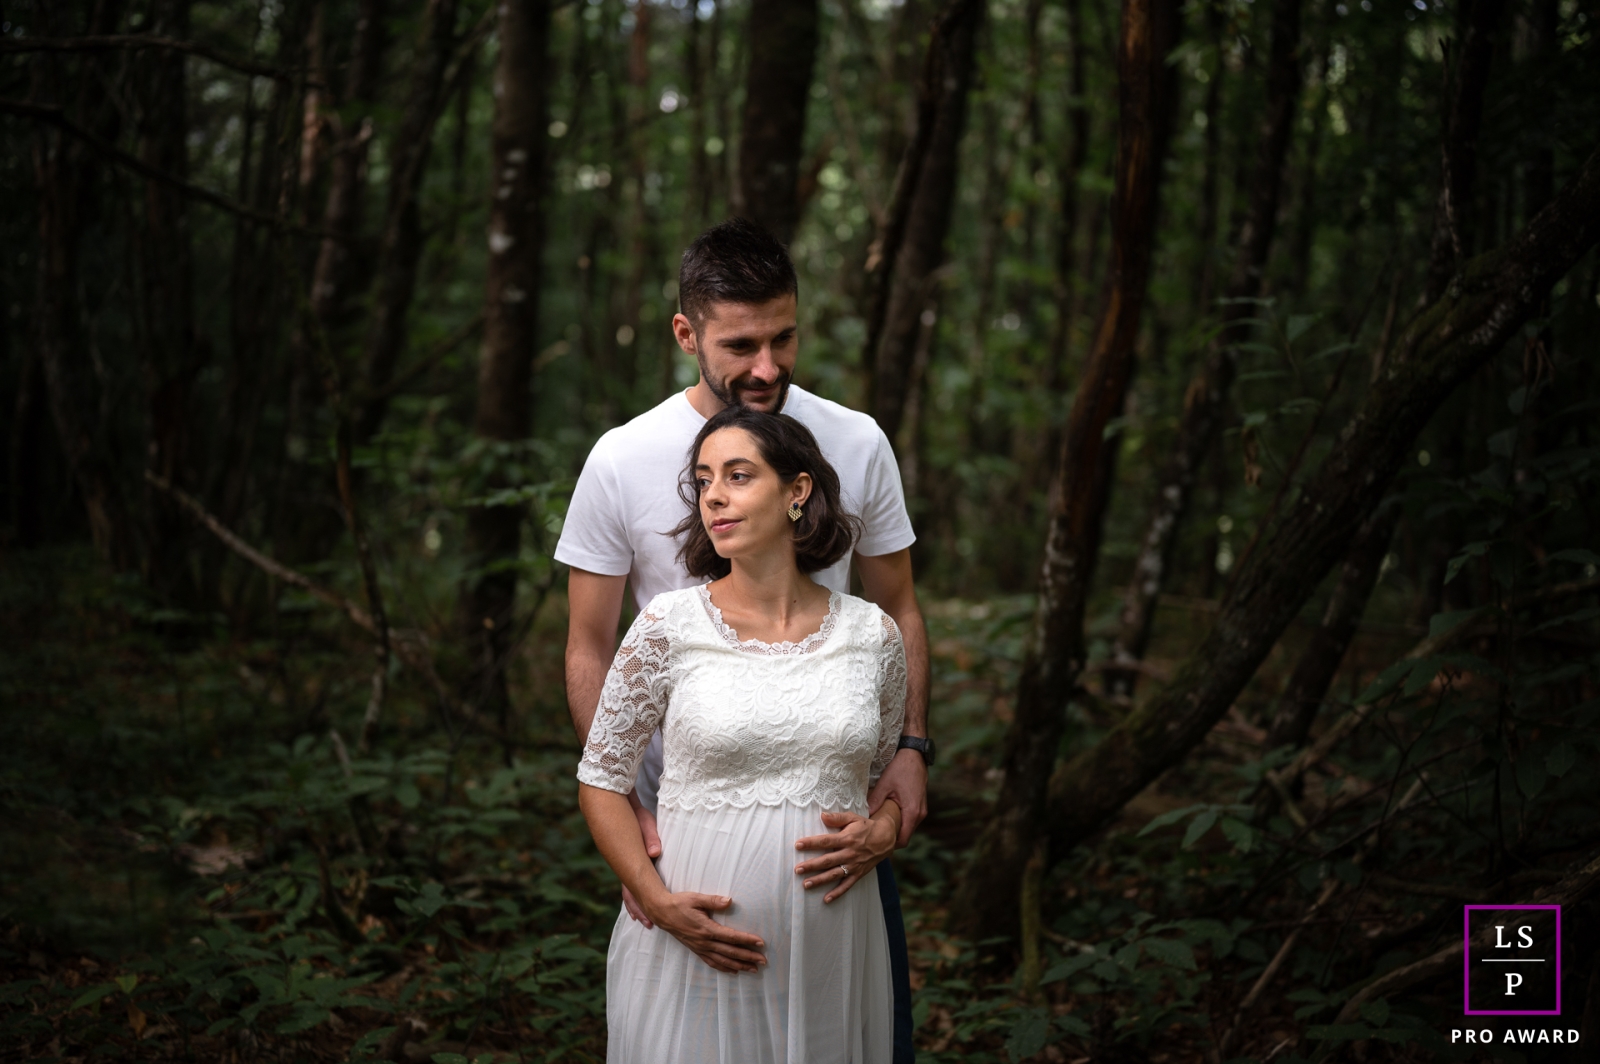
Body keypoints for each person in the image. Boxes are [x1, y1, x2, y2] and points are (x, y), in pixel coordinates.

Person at [556, 218, 932, 1062]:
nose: (767, 368)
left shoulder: (857, 440)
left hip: (834, 819)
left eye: (784, 337)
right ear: (686, 333)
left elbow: (899, 607)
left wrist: (911, 747)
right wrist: (635, 819)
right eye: (741, 344)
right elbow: (590, 644)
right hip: (687, 823)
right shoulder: (622, 458)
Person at [578, 409, 905, 1062]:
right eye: (702, 481)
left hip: (832, 951)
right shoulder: (668, 626)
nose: (715, 496)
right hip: (692, 943)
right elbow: (602, 780)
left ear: (797, 491)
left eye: (738, 475)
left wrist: (887, 830)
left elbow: (879, 782)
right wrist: (655, 899)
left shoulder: (873, 636)